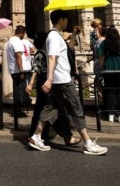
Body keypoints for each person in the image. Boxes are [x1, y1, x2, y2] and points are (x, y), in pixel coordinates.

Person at [28, 10, 108, 155]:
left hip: (59, 79)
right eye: (66, 19)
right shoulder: (53, 37)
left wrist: (73, 36)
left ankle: (36, 136)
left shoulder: (56, 36)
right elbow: (52, 58)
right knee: (76, 107)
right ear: (61, 20)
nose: (68, 22)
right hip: (61, 80)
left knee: (49, 107)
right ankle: (88, 143)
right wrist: (50, 79)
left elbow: (63, 53)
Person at [27, 32, 80, 146]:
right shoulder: (41, 54)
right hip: (45, 83)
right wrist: (31, 83)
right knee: (52, 111)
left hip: (47, 83)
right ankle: (66, 136)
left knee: (45, 110)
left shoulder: (48, 53)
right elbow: (36, 69)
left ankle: (36, 135)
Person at [98, 26, 120, 123]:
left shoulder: (104, 44)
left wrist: (101, 68)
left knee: (110, 92)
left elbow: (101, 58)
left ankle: (111, 114)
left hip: (108, 68)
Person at [5, 25, 30, 116]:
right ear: (22, 33)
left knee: (17, 89)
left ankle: (17, 110)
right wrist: (21, 71)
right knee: (20, 90)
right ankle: (18, 110)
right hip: (17, 70)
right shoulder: (17, 41)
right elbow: (18, 56)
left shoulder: (10, 41)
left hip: (13, 69)